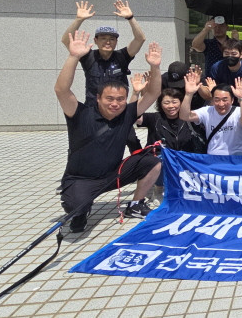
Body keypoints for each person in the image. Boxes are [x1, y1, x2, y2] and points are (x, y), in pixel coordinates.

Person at [55, 30, 162, 233]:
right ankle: (81, 211)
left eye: (120, 99)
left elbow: (154, 93)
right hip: (82, 179)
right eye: (109, 99)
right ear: (98, 98)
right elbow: (61, 90)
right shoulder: (80, 113)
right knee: (75, 207)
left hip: (114, 174)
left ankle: (135, 205)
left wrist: (154, 67)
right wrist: (73, 57)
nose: (115, 104)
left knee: (152, 162)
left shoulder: (127, 113)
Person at [61, 0, 146, 105]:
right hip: (92, 109)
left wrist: (130, 18)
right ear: (95, 40)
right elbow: (66, 40)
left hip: (116, 109)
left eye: (112, 39)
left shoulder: (122, 56)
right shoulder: (88, 57)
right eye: (103, 38)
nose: (108, 42)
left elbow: (140, 39)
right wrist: (79, 20)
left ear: (116, 42)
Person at [133, 85, 202, 204]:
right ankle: (158, 189)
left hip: (184, 159)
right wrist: (135, 93)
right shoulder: (154, 118)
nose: (171, 106)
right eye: (166, 103)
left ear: (181, 103)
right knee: (158, 161)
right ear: (160, 104)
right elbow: (133, 115)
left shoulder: (189, 117)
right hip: (161, 159)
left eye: (175, 102)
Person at [202, 38, 242, 155]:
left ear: (241, 54)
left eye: (234, 54)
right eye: (226, 54)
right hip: (222, 107)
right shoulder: (216, 68)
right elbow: (212, 91)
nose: (230, 57)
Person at [181, 72, 242, 156]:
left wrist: (241, 98)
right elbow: (184, 116)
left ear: (232, 100)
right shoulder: (207, 111)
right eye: (217, 99)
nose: (221, 104)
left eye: (225, 100)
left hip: (237, 156)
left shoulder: (238, 111)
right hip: (214, 158)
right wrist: (188, 94)